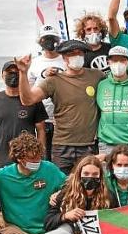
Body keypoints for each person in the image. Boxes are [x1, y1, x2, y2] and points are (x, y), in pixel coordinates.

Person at [17, 40, 105, 174]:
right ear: (64, 58)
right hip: (62, 145)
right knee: (61, 186)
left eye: (79, 53)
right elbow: (28, 100)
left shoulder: (96, 76)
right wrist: (23, 73)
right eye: (71, 54)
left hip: (88, 145)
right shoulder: (53, 80)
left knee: (86, 185)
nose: (76, 56)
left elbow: (117, 82)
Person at [0, 133, 66, 234]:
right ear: (19, 158)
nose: (37, 161)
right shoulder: (0, 176)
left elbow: (70, 185)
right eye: (32, 158)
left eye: (39, 157)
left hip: (47, 229)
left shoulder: (49, 169)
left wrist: (60, 193)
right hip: (15, 231)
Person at [0, 60, 47, 172]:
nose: (13, 76)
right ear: (2, 76)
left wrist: (40, 157)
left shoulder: (32, 100)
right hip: (0, 161)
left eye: (16, 73)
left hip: (27, 160)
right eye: (9, 73)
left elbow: (41, 130)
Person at [45, 155, 112, 233]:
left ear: (100, 177)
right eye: (86, 174)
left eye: (95, 174)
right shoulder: (65, 193)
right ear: (79, 175)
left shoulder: (108, 197)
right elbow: (48, 223)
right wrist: (65, 216)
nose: (90, 177)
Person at [28, 24, 66, 161]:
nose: (49, 41)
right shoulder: (34, 63)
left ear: (58, 39)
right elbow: (28, 91)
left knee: (61, 158)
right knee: (43, 156)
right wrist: (43, 75)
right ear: (40, 42)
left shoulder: (66, 59)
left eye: (52, 38)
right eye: (45, 39)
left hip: (63, 119)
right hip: (41, 118)